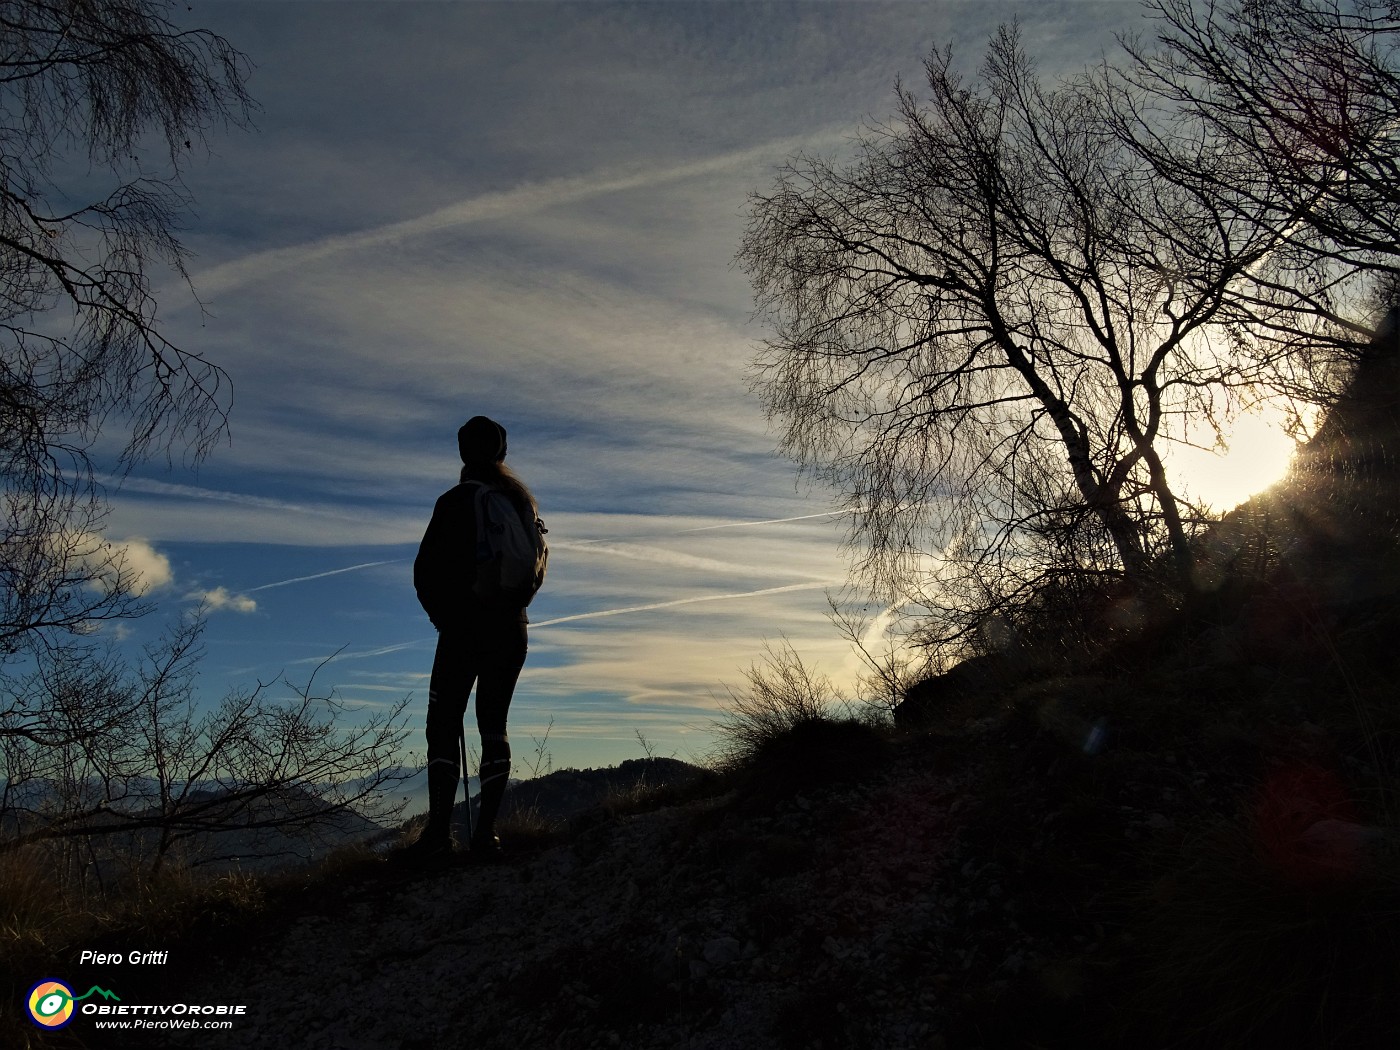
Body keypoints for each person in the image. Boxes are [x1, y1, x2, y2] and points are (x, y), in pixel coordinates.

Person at [396, 415, 540, 867]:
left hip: (463, 629)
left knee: (443, 725)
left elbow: (424, 573)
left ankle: (439, 834)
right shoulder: (520, 504)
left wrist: (445, 619)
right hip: (512, 628)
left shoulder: (455, 501)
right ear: (503, 454)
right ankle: (487, 836)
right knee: (493, 726)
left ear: (463, 454)